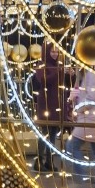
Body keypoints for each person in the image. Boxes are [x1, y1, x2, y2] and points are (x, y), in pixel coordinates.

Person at [32, 43, 72, 171]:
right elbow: (44, 80)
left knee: (53, 135)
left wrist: (71, 75)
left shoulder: (58, 66)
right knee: (44, 134)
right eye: (52, 51)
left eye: (57, 52)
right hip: (47, 105)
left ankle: (49, 161)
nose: (55, 54)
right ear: (46, 52)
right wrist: (59, 71)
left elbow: (63, 84)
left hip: (57, 106)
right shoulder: (42, 65)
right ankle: (38, 162)